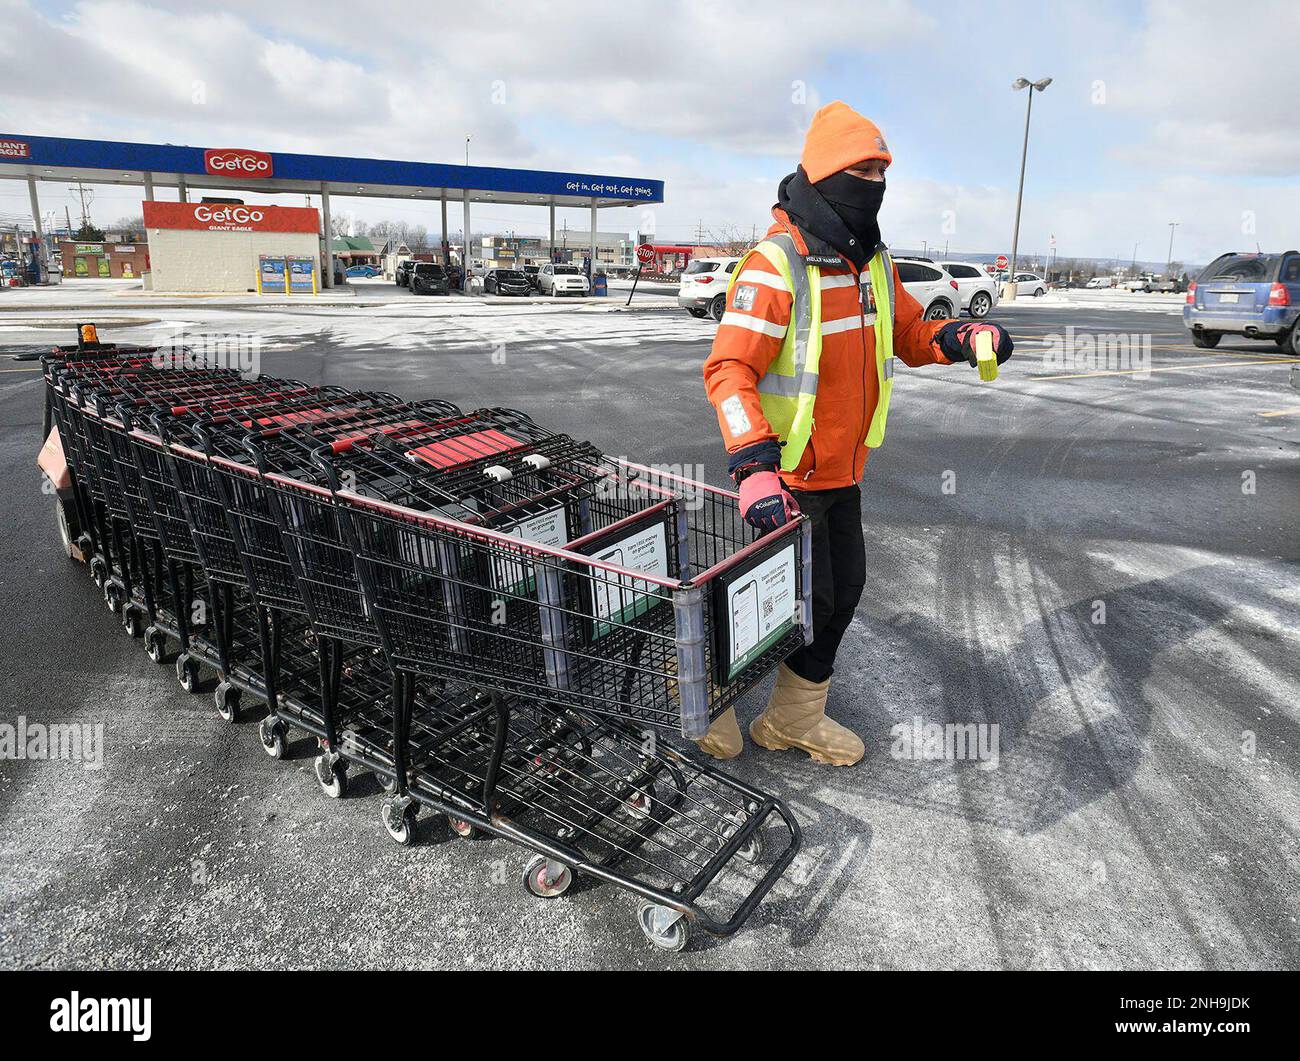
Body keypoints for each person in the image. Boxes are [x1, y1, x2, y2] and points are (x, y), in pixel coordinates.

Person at [698, 100, 1014, 766]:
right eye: (860, 169)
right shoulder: (775, 264)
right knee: (774, 603)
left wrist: (962, 335)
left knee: (840, 593)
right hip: (784, 477)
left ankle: (791, 717)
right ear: (824, 174)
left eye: (881, 169)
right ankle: (705, 696)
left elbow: (908, 333)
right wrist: (752, 466)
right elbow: (729, 370)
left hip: (843, 469)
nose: (873, 182)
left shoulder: (871, 262)